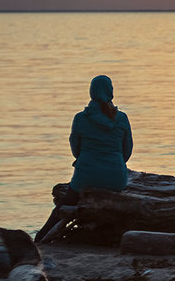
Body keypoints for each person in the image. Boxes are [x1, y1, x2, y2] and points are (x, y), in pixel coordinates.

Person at [35, 75, 133, 242]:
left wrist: (87, 161)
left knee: (64, 205)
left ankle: (40, 238)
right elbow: (127, 150)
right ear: (110, 92)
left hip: (86, 175)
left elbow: (76, 149)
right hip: (116, 177)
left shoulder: (80, 118)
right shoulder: (121, 118)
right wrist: (114, 164)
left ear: (92, 92)